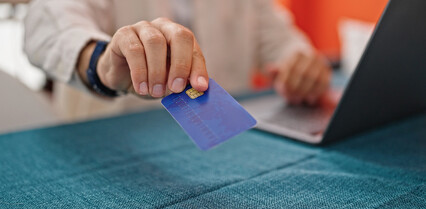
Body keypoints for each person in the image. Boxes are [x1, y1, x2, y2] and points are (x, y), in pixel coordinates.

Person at [24, 0, 331, 120]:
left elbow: (284, 43)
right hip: (109, 138)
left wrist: (302, 66)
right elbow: (49, 23)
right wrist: (103, 64)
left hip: (226, 148)